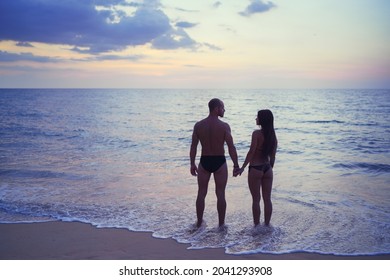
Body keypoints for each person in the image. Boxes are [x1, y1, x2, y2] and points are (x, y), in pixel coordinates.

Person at [190, 98, 240, 228]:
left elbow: (193, 147)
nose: (224, 110)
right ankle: (221, 225)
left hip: (204, 161)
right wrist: (236, 165)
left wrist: (192, 163)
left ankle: (199, 223)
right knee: (220, 193)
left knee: (201, 192)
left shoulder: (199, 125)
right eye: (223, 107)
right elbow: (231, 147)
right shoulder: (224, 126)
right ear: (216, 108)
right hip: (219, 161)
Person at [238, 109, 277, 226]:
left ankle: (256, 227)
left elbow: (251, 152)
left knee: (256, 200)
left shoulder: (256, 134)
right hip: (268, 169)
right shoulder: (273, 137)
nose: (256, 119)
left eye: (257, 117)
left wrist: (242, 168)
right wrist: (270, 169)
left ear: (262, 120)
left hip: (255, 168)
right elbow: (273, 157)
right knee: (267, 199)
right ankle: (267, 226)